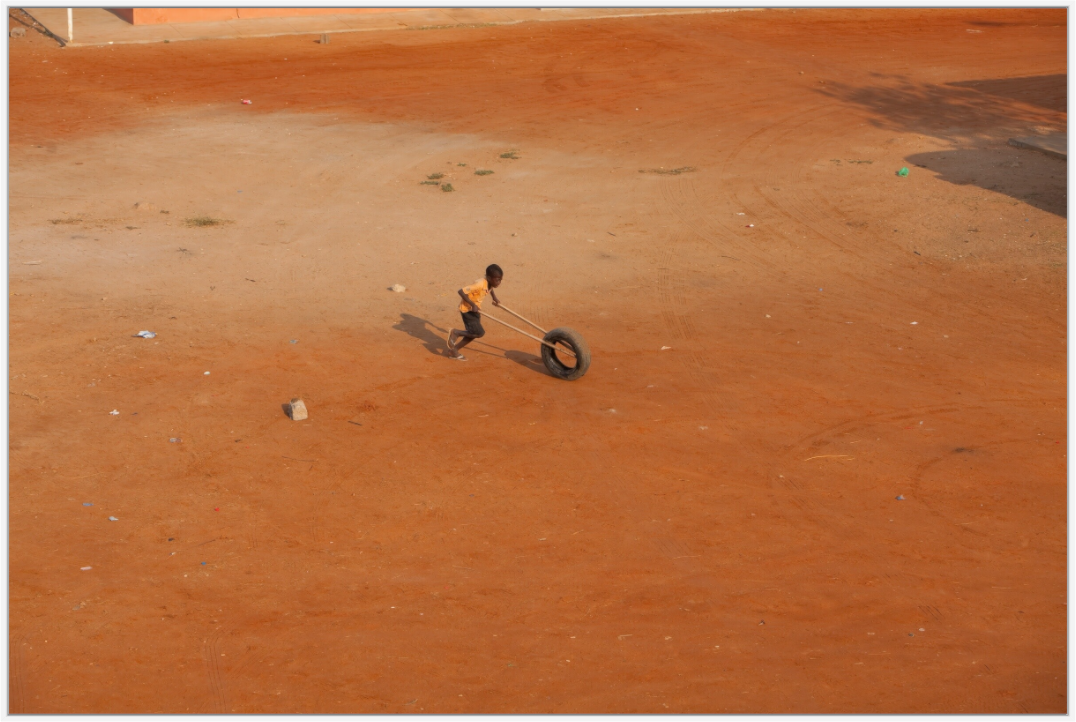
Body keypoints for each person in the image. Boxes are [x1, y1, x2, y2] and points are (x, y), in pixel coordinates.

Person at [447, 264, 502, 360]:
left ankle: (453, 351)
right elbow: (461, 291)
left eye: (500, 280)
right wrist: (472, 305)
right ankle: (456, 333)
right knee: (479, 332)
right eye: (497, 280)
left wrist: (494, 297)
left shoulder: (489, 283)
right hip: (467, 310)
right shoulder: (479, 284)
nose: (499, 282)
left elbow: (490, 288)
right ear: (489, 278)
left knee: (473, 333)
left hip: (475, 310)